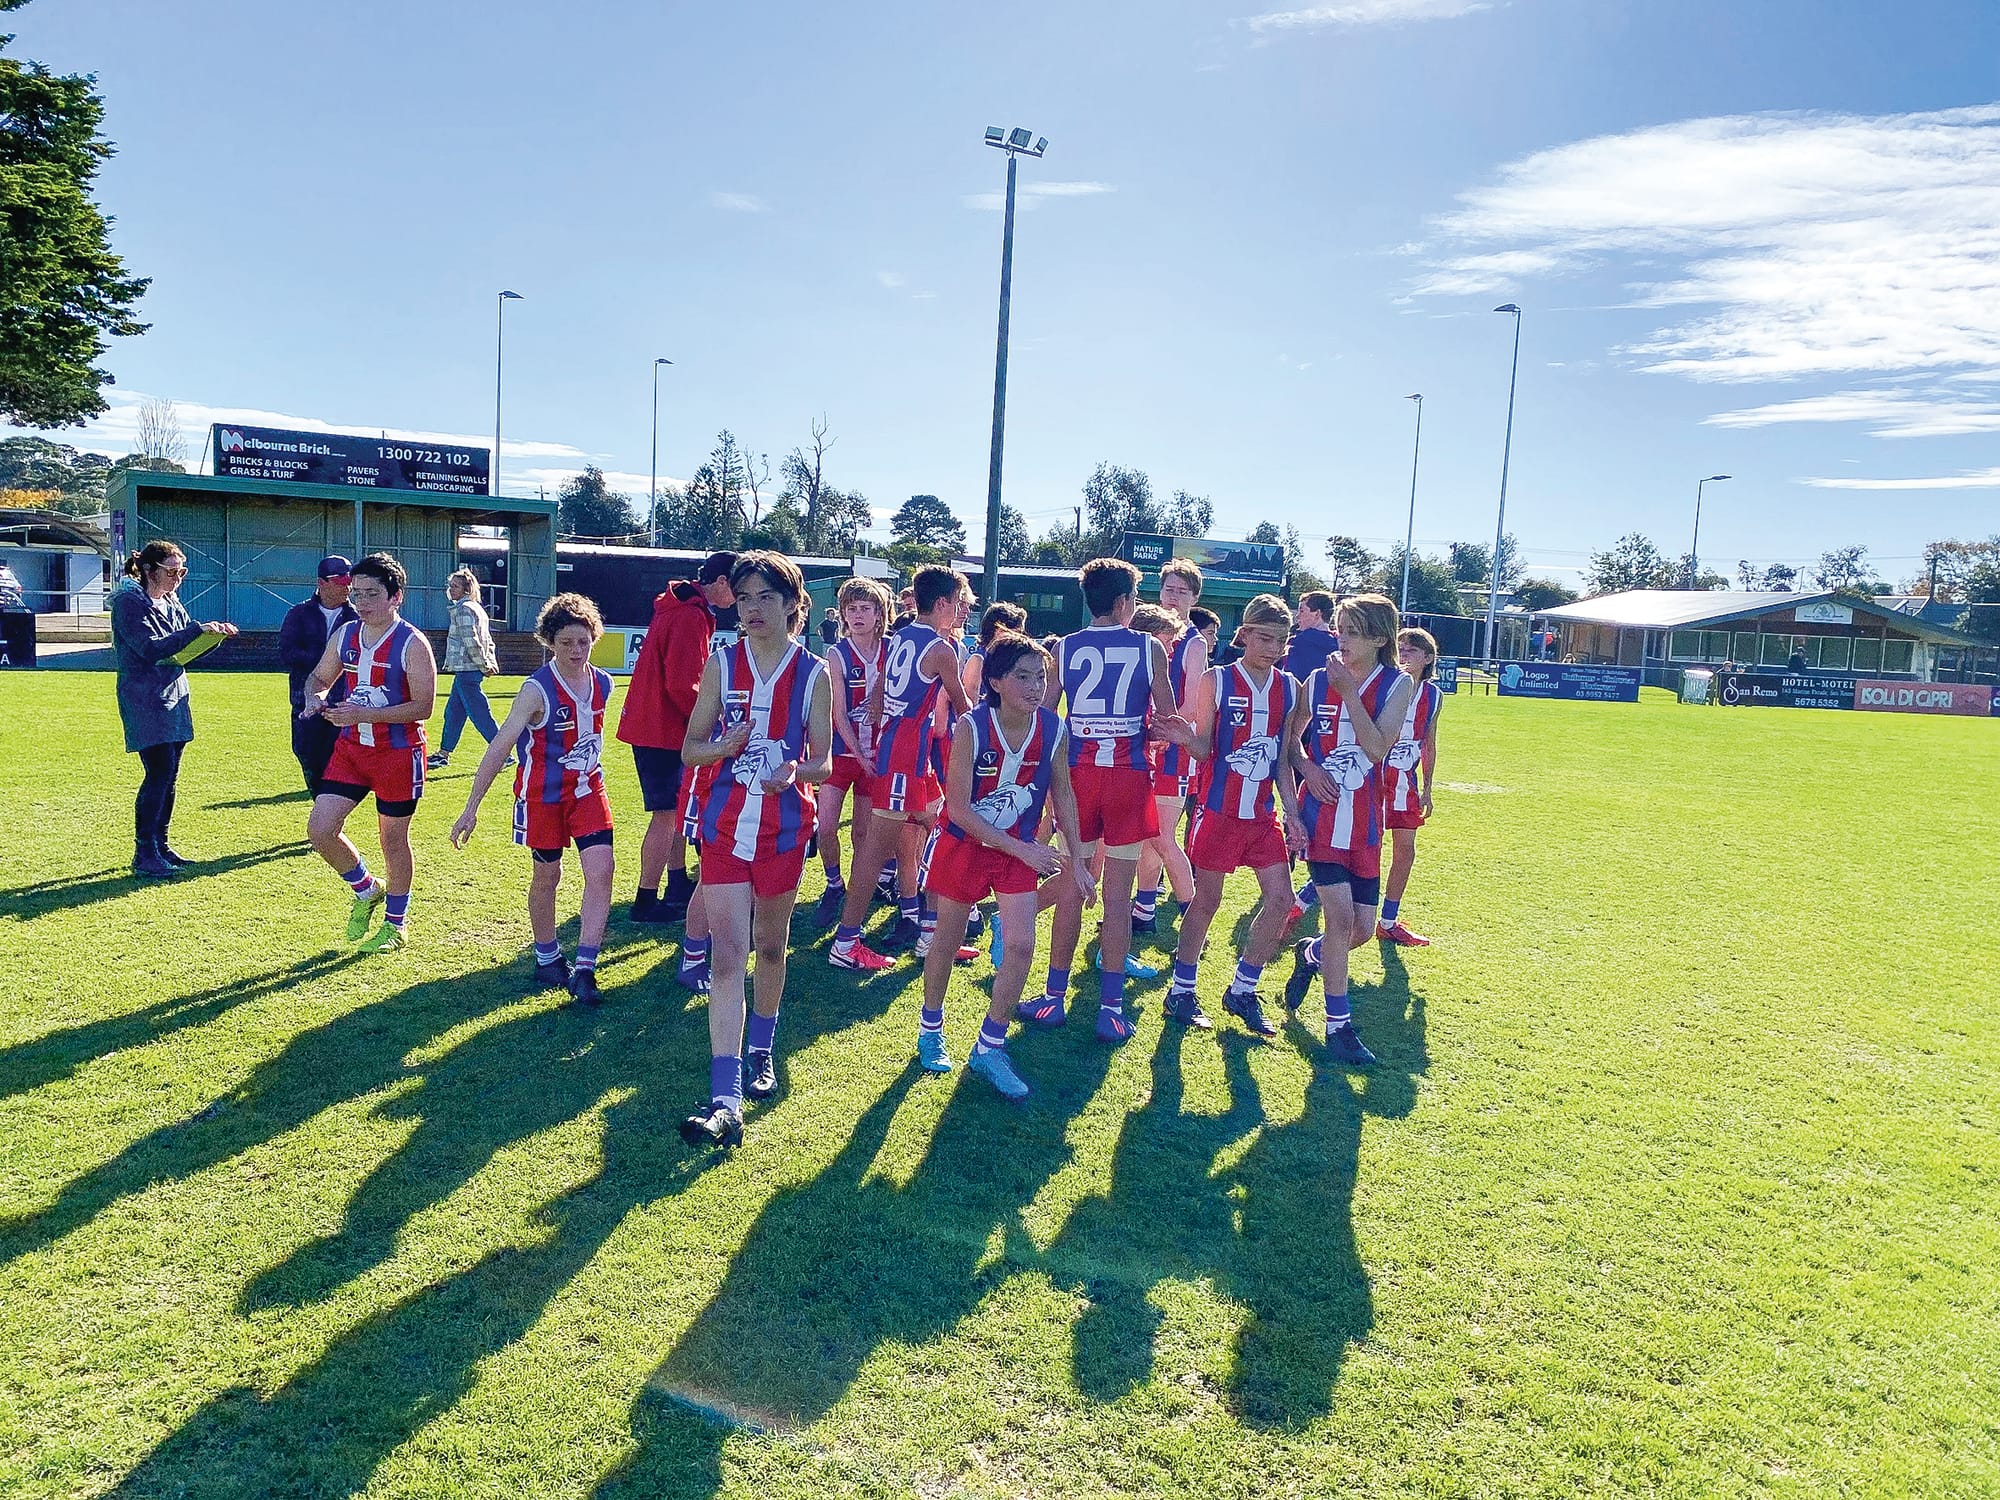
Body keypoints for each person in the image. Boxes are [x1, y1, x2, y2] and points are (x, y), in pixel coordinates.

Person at [677, 552, 833, 1149]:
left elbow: (823, 758)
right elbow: (690, 749)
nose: (753, 609)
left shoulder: (815, 672)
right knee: (726, 957)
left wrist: (797, 769)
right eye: (743, 599)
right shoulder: (721, 663)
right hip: (722, 828)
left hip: (784, 831)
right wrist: (725, 746)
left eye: (766, 597)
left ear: (792, 603)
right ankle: (725, 1092)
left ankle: (762, 1049)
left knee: (770, 947)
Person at [1019, 557, 1195, 1045]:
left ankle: (1053, 998)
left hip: (1077, 778)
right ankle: (1111, 1009)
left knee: (1075, 883)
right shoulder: (1148, 647)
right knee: (1117, 897)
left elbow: (1046, 713)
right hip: (1127, 777)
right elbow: (1166, 717)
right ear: (1124, 603)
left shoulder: (1066, 648)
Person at [916, 631, 1092, 1098]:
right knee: (947, 941)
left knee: (1019, 946)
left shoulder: (1053, 727)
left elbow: (1064, 794)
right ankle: (931, 1027)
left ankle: (989, 1045)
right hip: (967, 845)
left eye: (1042, 677)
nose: (1036, 687)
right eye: (1023, 677)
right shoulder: (971, 727)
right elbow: (958, 808)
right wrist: (1026, 850)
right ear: (994, 681)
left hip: (1017, 850)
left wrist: (1078, 859)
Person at [451, 593, 616, 1005]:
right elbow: (501, 745)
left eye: (583, 642)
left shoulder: (604, 682)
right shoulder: (535, 690)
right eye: (566, 643)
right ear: (549, 643)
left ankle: (586, 968)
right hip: (542, 797)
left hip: (588, 791)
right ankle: (547, 957)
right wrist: (471, 807)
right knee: (548, 876)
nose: (576, 651)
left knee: (602, 870)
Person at [1162, 594, 1305, 1037]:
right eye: (1263, 637)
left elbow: (1283, 758)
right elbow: (1206, 749)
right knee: (1207, 902)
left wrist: (1294, 813)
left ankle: (1243, 990)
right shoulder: (1216, 679)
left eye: (1280, 640)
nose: (1271, 647)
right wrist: (1185, 738)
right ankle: (1181, 990)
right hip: (1218, 810)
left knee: (1281, 901)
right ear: (1243, 634)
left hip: (1263, 816)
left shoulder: (1290, 688)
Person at [1281, 593, 1414, 1067]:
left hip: (1365, 825)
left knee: (1358, 931)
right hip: (1321, 818)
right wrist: (1306, 768)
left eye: (1355, 631)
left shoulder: (1398, 685)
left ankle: (1310, 956)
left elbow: (1378, 748)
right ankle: (1339, 1027)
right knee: (1339, 921)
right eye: (1341, 628)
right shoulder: (1316, 681)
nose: (1343, 639)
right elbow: (1291, 742)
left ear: (1380, 638)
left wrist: (1351, 693)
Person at [827, 565, 973, 970]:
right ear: (942, 603)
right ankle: (846, 942)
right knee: (875, 853)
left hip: (908, 752)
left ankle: (930, 931)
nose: (961, 611)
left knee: (947, 827)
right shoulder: (941, 649)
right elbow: (964, 709)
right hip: (903, 755)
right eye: (958, 603)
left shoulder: (904, 634)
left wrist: (877, 705)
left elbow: (883, 687)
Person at [298, 552, 438, 953]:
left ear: (396, 597)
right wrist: (316, 697)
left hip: (398, 754)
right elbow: (320, 676)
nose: (361, 602)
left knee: (393, 841)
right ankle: (366, 889)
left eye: (372, 594)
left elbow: (424, 707)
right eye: (355, 593)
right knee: (320, 830)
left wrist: (366, 713)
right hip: (352, 749)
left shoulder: (412, 643)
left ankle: (396, 924)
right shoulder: (345, 635)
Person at [618, 551, 736, 924]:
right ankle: (646, 898)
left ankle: (674, 883)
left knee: (672, 812)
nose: (740, 598)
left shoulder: (683, 607)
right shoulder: (690, 614)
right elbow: (684, 684)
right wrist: (711, 723)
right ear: (721, 583)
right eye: (739, 589)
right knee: (667, 815)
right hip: (663, 728)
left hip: (653, 725)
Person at [109, 541, 238, 876]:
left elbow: (185, 651)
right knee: (158, 773)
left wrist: (213, 638)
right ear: (150, 570)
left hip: (175, 696)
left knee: (170, 776)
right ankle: (144, 853)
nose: (178, 577)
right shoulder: (128, 603)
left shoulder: (170, 600)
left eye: (182, 571)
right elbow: (149, 650)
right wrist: (197, 629)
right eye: (172, 571)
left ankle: (161, 845)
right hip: (145, 699)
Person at [810, 576, 893, 925]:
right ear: (843, 614)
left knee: (863, 834)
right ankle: (833, 884)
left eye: (865, 608)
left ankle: (861, 891)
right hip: (844, 753)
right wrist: (860, 754)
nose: (858, 615)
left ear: (879, 613)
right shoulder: (837, 652)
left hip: (882, 754)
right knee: (825, 825)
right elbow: (839, 712)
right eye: (851, 609)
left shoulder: (893, 648)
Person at [1133, 559, 1207, 936]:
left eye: (1181, 591)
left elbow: (1193, 705)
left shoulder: (1192, 642)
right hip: (1145, 747)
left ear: (1195, 597)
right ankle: (1144, 909)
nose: (1173, 598)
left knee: (1162, 836)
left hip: (1173, 751)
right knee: (1149, 834)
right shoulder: (1148, 634)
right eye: (1168, 590)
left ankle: (1194, 914)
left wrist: (1164, 730)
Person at [1377, 626, 1443, 947]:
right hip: (1372, 779)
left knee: (1405, 851)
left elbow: (1429, 743)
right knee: (1359, 847)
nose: (1404, 654)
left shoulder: (1433, 696)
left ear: (1428, 658)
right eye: (1400, 648)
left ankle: (1388, 922)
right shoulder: (1385, 683)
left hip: (1405, 782)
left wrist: (1427, 787)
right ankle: (1306, 901)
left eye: (1412, 650)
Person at [278, 556, 357, 796]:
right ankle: (321, 807)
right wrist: (327, 658)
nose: (348, 586)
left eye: (349, 580)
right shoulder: (298, 614)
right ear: (321, 582)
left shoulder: (356, 619)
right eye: (340, 580)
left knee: (340, 762)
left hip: (343, 704)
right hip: (305, 702)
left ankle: (329, 817)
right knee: (307, 755)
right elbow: (287, 653)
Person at [428, 567, 503, 771]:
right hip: (467, 669)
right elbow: (486, 640)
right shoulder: (476, 608)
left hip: (468, 668)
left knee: (479, 713)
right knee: (454, 712)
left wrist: (484, 664)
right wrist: (488, 661)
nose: (450, 589)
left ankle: (502, 753)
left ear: (466, 588)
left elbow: (472, 641)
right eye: (450, 585)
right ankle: (443, 754)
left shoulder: (463, 609)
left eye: (455, 586)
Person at [1284, 589, 1339, 681]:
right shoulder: (1341, 645)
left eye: (1302, 611)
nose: (1297, 616)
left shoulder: (1297, 643)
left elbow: (1290, 680)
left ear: (1317, 614)